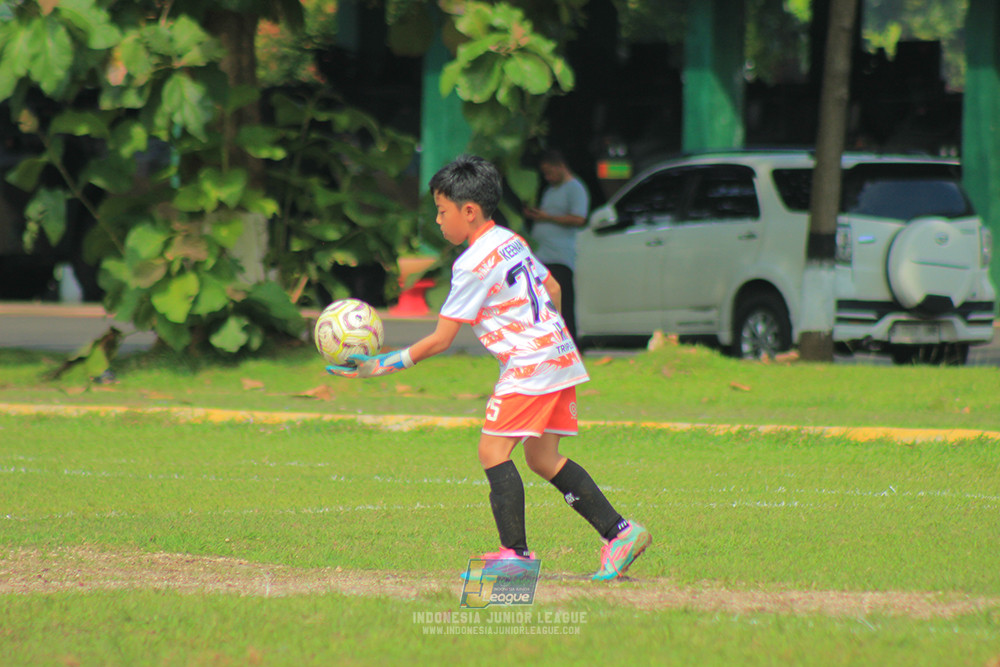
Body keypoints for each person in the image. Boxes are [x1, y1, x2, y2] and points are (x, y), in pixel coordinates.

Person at [326, 154, 650, 581]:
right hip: (557, 356)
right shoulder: (509, 240)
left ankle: (515, 557)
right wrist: (551, 335)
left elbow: (441, 340)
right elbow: (551, 286)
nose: (439, 222)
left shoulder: (471, 263)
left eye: (442, 212)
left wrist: (376, 367)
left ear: (469, 211)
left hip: (530, 365)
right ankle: (619, 533)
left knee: (492, 451)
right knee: (542, 457)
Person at [522, 149, 591, 342]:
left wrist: (547, 217)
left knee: (564, 303)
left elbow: (579, 218)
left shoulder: (575, 188)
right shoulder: (551, 190)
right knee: (544, 303)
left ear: (560, 166)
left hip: (560, 256)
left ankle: (570, 344)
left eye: (549, 171)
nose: (547, 177)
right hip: (542, 256)